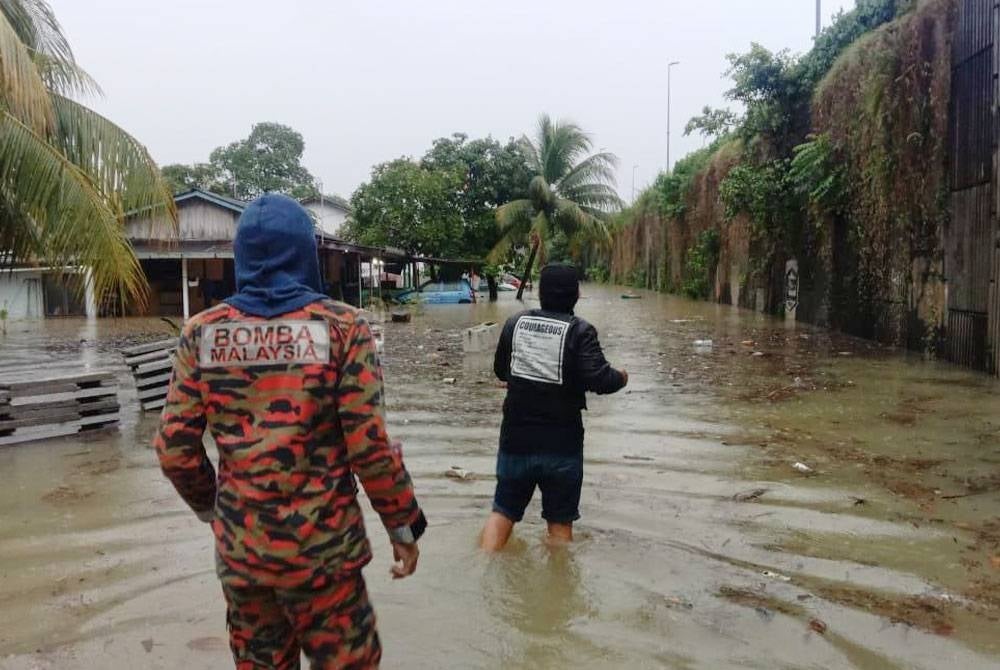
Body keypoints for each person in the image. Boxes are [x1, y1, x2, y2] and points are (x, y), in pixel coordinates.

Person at [155, 194, 427, 669]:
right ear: (305, 252)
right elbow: (369, 446)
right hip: (325, 559)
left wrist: (213, 510)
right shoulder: (344, 327)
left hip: (244, 560)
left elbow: (175, 450)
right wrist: (402, 525)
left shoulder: (201, 333)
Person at [480, 264, 628, 551]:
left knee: (503, 511)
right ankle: (560, 588)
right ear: (576, 295)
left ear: (541, 293)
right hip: (562, 447)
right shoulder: (581, 331)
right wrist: (622, 376)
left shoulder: (515, 324)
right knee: (560, 524)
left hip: (516, 441)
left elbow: (501, 370)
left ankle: (484, 569)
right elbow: (600, 378)